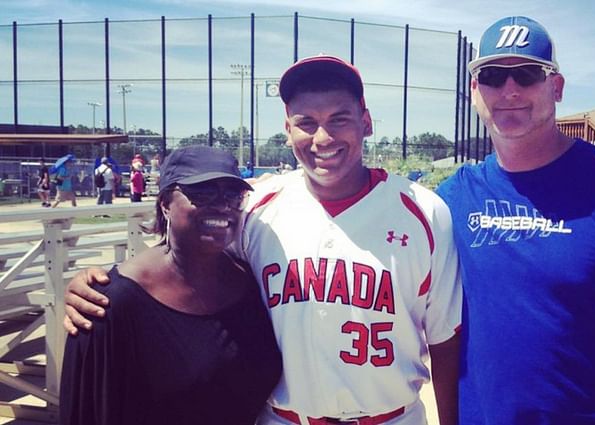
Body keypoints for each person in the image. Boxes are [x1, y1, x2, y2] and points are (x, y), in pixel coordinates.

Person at [63, 55, 462, 425]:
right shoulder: (255, 209)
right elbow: (186, 260)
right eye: (306, 122)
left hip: (392, 417)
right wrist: (106, 284)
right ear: (288, 130)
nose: (322, 138)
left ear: (367, 122)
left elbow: (445, 340)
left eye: (340, 119)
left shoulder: (424, 212)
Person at [435, 16, 595, 424]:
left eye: (526, 74)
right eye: (492, 75)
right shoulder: (450, 200)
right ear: (475, 90)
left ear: (556, 87)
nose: (509, 89)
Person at [59, 146, 282, 425]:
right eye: (202, 193)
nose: (222, 205)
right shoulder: (108, 303)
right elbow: (86, 412)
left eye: (233, 195)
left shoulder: (249, 282)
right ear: (165, 203)